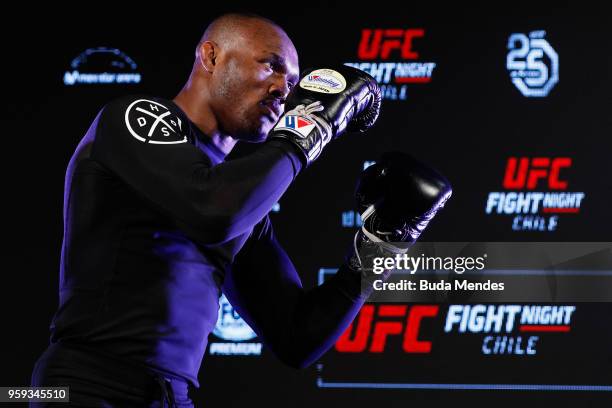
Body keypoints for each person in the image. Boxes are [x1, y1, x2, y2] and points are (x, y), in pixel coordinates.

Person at [30, 12, 451, 407]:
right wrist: (311, 127)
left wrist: (380, 247)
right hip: (82, 386)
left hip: (170, 395)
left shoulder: (237, 201)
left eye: (292, 84)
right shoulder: (138, 119)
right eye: (271, 66)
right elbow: (211, 210)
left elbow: (297, 336)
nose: (283, 90)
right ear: (210, 56)